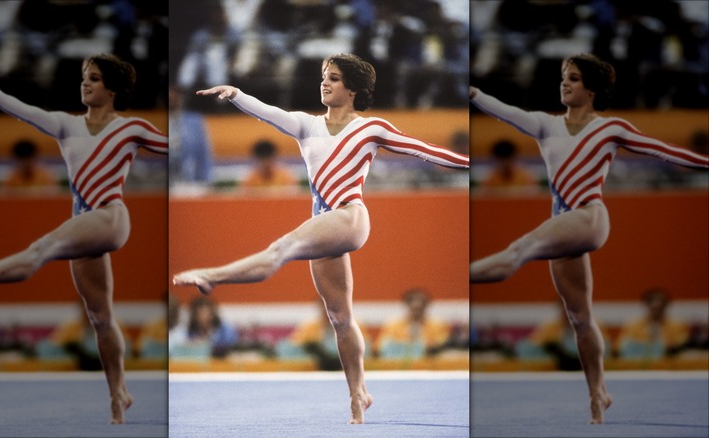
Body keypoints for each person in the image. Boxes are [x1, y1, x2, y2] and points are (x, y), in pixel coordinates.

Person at [173, 53, 469, 424]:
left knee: (280, 250)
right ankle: (359, 392)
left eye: (334, 78)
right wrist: (236, 94)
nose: (324, 83)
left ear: (354, 90)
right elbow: (267, 112)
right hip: (323, 222)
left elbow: (423, 151)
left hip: (349, 215)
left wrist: (469, 165)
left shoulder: (370, 128)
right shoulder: (305, 126)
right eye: (323, 77)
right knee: (340, 317)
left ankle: (213, 276)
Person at [468, 53, 708, 424]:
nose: (565, 83)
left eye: (574, 78)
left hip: (589, 216)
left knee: (517, 252)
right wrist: (473, 94)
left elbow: (663, 150)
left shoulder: (611, 128)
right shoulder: (545, 126)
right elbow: (502, 110)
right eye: (564, 77)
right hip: (563, 223)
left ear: (593, 89)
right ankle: (598, 392)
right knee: (579, 316)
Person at [0, 53, 168, 424]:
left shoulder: (131, 128)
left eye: (93, 78)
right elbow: (27, 112)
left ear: (113, 89)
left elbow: (175, 147)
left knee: (39, 251)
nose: (84, 84)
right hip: (83, 222)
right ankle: (119, 390)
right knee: (100, 317)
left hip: (110, 216)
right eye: (83, 78)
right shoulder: (64, 126)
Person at [375, 288, 450, 359]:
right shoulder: (393, 325)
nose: (417, 308)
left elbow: (442, 346)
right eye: (414, 308)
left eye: (420, 307)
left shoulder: (437, 325)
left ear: (426, 305)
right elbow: (381, 347)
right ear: (407, 305)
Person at [616, 288, 690, 360]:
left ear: (666, 305)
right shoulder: (633, 325)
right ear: (646, 305)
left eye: (660, 306)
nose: (657, 307)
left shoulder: (676, 325)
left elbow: (682, 345)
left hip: (668, 364)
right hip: (638, 363)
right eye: (654, 307)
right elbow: (621, 347)